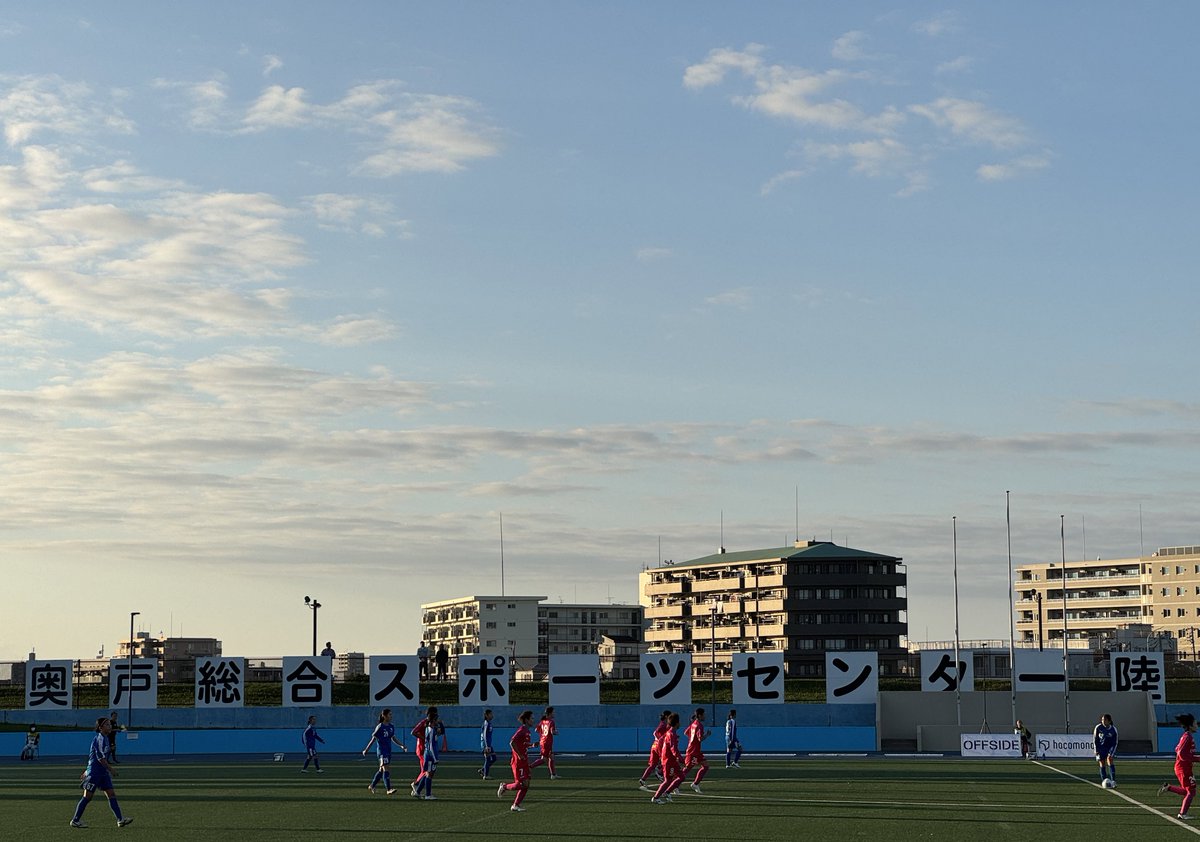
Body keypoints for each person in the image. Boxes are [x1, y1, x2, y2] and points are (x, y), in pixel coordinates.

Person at [70, 717, 133, 828]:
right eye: (107, 725)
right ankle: (75, 820)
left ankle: (120, 819)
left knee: (111, 794)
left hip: (102, 773)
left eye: (110, 724)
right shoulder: (99, 739)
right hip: (95, 773)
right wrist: (110, 769)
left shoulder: (105, 738)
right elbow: (99, 758)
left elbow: (93, 757)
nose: (110, 726)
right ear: (100, 728)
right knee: (87, 797)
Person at [1161, 712, 1198, 820]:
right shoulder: (1187, 737)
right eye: (1195, 724)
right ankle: (1182, 814)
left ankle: (1169, 787)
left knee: (1188, 790)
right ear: (1190, 726)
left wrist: (1190, 759)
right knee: (1191, 791)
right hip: (1183, 769)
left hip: (1184, 767)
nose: (1197, 725)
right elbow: (1181, 753)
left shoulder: (1186, 736)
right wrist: (1193, 759)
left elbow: (1177, 749)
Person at [498, 709, 534, 812]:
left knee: (526, 784)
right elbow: (512, 742)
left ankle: (516, 805)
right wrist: (519, 755)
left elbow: (523, 745)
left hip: (524, 760)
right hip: (518, 762)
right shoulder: (522, 730)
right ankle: (504, 786)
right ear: (526, 720)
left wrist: (532, 745)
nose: (533, 720)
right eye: (531, 718)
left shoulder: (527, 731)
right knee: (520, 784)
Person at [362, 708, 405, 795]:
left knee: (381, 770)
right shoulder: (380, 727)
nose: (391, 716)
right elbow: (373, 739)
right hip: (382, 751)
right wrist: (366, 749)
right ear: (384, 716)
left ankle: (372, 785)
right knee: (386, 768)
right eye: (389, 714)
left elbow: (393, 738)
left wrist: (401, 745)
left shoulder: (391, 726)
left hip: (388, 750)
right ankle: (389, 789)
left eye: (391, 714)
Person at [651, 711, 685, 804]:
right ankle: (656, 797)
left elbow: (661, 741)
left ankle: (667, 792)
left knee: (681, 776)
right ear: (677, 723)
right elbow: (673, 748)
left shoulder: (670, 733)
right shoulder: (671, 734)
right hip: (669, 761)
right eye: (679, 722)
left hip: (671, 760)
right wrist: (679, 758)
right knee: (667, 780)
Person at [412, 709, 440, 800]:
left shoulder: (429, 728)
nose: (437, 722)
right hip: (429, 754)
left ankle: (418, 791)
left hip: (427, 753)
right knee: (429, 774)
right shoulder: (430, 730)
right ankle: (428, 794)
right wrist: (435, 758)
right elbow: (431, 745)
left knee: (427, 773)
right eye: (436, 719)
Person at [638, 710, 670, 789]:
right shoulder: (664, 725)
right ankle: (659, 774)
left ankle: (643, 779)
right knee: (665, 760)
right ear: (666, 716)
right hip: (659, 745)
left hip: (654, 746)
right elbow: (655, 732)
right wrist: (660, 740)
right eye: (669, 716)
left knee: (652, 765)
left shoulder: (663, 724)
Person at [682, 707, 710, 793]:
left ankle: (695, 784)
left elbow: (686, 732)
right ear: (700, 715)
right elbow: (700, 739)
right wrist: (707, 735)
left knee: (705, 766)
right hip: (693, 752)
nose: (705, 716)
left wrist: (692, 740)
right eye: (703, 715)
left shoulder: (693, 723)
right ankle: (674, 784)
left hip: (696, 751)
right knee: (687, 769)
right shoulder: (699, 725)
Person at [530, 706, 559, 779]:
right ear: (550, 713)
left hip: (543, 741)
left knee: (551, 757)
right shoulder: (551, 722)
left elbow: (536, 730)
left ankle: (553, 775)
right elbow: (552, 732)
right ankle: (529, 767)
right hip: (547, 742)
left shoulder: (542, 721)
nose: (554, 714)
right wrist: (556, 732)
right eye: (553, 712)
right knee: (544, 759)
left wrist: (542, 734)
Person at [1093, 713, 1118, 787]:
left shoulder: (1113, 729)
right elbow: (1095, 739)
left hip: (1109, 748)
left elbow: (1115, 742)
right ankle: (1104, 781)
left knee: (1110, 760)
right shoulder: (1098, 727)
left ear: (1109, 721)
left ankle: (1113, 781)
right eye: (1102, 719)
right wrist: (1096, 750)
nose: (1103, 721)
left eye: (1105, 720)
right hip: (1100, 748)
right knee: (1102, 763)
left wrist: (1112, 752)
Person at [479, 709, 497, 780]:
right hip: (486, 745)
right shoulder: (486, 723)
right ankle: (485, 775)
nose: (492, 715)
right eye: (490, 714)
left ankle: (483, 770)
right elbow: (485, 735)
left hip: (488, 745)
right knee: (488, 759)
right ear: (486, 715)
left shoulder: (489, 723)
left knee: (494, 758)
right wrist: (486, 746)